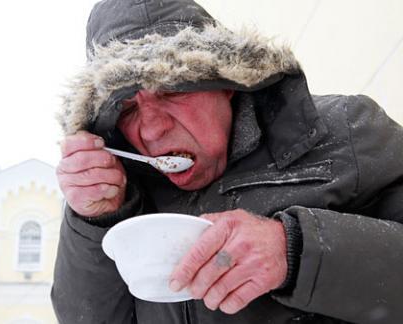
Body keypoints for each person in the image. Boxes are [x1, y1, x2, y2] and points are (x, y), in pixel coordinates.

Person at [51, 0, 403, 323]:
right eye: (126, 108)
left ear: (226, 81)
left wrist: (295, 251)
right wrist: (95, 220)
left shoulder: (346, 129)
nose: (153, 129)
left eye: (173, 90)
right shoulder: (122, 194)